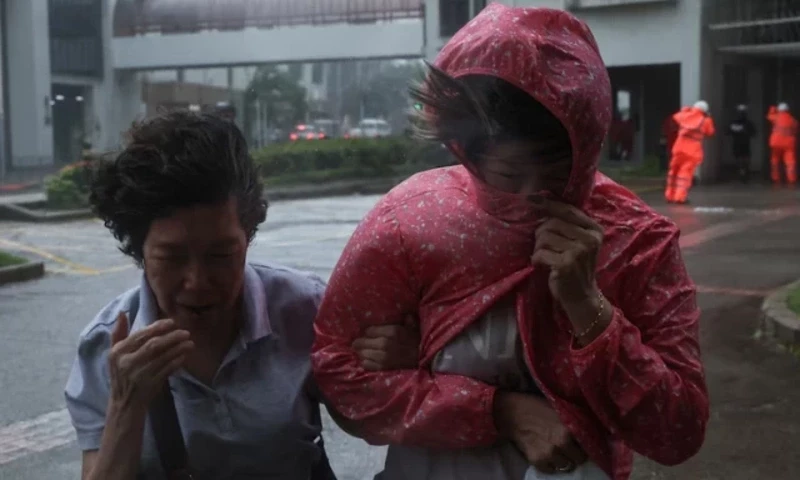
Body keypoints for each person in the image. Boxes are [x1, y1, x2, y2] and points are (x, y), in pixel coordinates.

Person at [312, 4, 708, 480]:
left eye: (560, 176)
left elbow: (677, 430)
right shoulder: (411, 222)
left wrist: (590, 310)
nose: (532, 198)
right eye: (509, 175)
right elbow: (342, 383)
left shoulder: (637, 242)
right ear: (468, 153)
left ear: (587, 152)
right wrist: (497, 412)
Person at [64, 111, 419, 480]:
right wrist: (126, 404)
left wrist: (400, 369)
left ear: (247, 236)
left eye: (221, 255)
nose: (197, 282)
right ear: (139, 249)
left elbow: (369, 426)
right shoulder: (105, 346)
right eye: (172, 257)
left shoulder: (304, 308)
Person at [664, 100, 715, 204]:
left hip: (679, 147)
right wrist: (708, 117)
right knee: (685, 174)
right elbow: (710, 132)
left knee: (673, 171)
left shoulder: (685, 115)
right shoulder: (705, 120)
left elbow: (675, 118)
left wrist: (686, 110)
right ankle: (680, 197)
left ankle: (669, 195)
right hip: (692, 150)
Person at [766, 102, 797, 186]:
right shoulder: (793, 120)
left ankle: (775, 178)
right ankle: (791, 179)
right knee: (790, 162)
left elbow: (769, 116)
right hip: (789, 144)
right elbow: (795, 129)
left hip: (776, 143)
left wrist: (772, 109)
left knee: (775, 160)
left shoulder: (776, 117)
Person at [727, 104, 756, 183]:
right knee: (743, 159)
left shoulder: (734, 123)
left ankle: (743, 172)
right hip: (743, 143)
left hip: (740, 143)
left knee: (741, 159)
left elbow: (728, 132)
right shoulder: (747, 123)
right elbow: (753, 133)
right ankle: (743, 172)